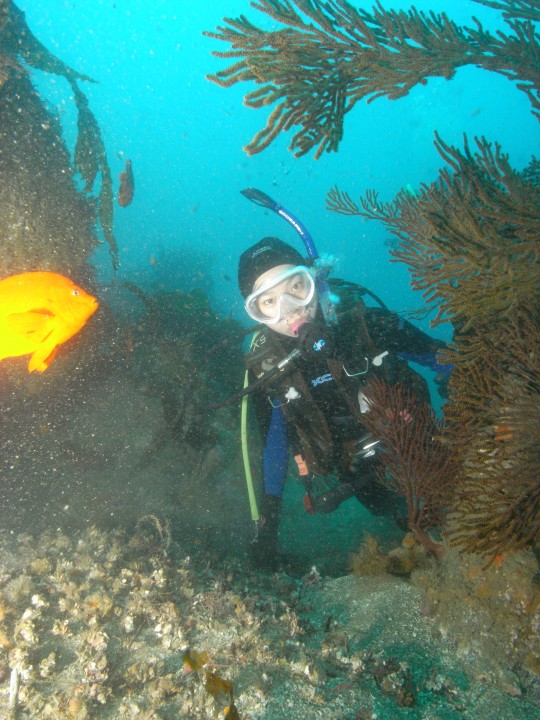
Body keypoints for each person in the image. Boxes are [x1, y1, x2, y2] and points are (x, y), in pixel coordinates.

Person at [238, 236, 449, 569]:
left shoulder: (365, 324)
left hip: (415, 439)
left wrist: (463, 384)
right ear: (257, 314)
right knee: (384, 506)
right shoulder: (268, 371)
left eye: (296, 287)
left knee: (443, 492)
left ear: (314, 280)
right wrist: (267, 528)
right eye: (268, 302)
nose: (290, 309)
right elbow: (274, 446)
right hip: (352, 467)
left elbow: (440, 357)